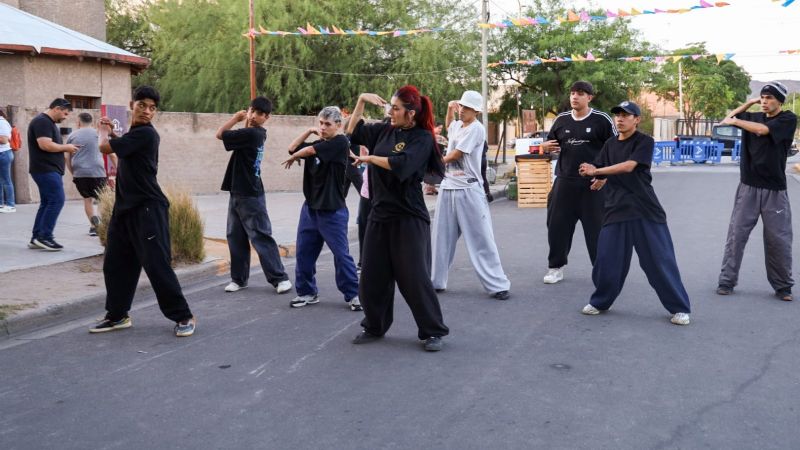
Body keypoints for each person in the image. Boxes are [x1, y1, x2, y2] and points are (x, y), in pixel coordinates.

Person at [346, 85, 449, 352]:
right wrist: (360, 100)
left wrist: (371, 158)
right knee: (372, 276)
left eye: (396, 108)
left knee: (414, 278)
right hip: (379, 213)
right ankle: (375, 326)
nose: (390, 112)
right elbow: (352, 132)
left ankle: (432, 331)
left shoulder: (422, 138)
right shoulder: (384, 130)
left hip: (408, 217)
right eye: (390, 107)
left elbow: (402, 164)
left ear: (410, 113)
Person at [91, 86, 196, 337]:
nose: (147, 111)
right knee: (116, 264)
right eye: (142, 105)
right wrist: (114, 133)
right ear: (132, 105)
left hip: (148, 208)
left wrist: (103, 131)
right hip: (124, 210)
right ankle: (117, 315)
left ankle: (183, 316)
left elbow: (104, 148)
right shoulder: (133, 134)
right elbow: (122, 148)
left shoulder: (147, 134)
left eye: (152, 108)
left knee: (156, 265)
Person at [577, 100, 691, 326]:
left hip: (644, 210)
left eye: (626, 115)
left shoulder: (644, 141)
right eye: (617, 115)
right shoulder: (610, 144)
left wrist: (596, 171)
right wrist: (594, 175)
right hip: (616, 210)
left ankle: (679, 308)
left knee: (659, 261)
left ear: (637, 119)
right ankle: (601, 302)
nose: (620, 119)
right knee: (606, 260)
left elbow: (629, 166)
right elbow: (600, 168)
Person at [716, 82, 797, 301]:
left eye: (769, 98)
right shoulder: (753, 116)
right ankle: (726, 281)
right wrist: (749, 102)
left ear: (780, 101)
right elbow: (727, 119)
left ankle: (783, 286)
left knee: (778, 239)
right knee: (736, 235)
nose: (764, 101)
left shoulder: (788, 119)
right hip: (748, 186)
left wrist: (736, 120)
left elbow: (762, 130)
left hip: (775, 190)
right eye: (762, 97)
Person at [431, 90, 511, 300]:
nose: (462, 110)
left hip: (469, 189)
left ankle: (498, 285)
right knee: (441, 239)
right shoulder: (458, 125)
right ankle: (436, 282)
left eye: (466, 108)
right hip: (448, 187)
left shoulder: (477, 128)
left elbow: (457, 153)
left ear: (476, 111)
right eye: (462, 106)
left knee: (481, 238)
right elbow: (449, 125)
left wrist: (435, 163)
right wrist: (450, 108)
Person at [283, 106, 360, 311]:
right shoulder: (318, 142)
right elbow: (292, 148)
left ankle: (354, 295)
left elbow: (307, 152)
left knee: (341, 255)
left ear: (338, 125)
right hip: (310, 209)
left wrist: (295, 156)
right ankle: (307, 292)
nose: (323, 127)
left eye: (327, 124)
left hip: (332, 211)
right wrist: (309, 131)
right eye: (320, 123)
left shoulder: (341, 143)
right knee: (304, 253)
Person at [539, 81, 616, 284]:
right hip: (564, 182)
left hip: (593, 184)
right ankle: (555, 268)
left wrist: (603, 176)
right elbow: (550, 145)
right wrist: (544, 147)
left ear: (589, 97)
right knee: (557, 226)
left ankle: (601, 270)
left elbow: (615, 150)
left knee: (597, 229)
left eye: (580, 93)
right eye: (572, 93)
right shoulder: (561, 120)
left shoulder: (601, 120)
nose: (575, 96)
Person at [215, 96, 293, 296]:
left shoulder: (253, 133)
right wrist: (243, 121)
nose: (253, 116)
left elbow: (220, 134)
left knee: (260, 236)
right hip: (238, 191)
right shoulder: (251, 133)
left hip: (250, 194)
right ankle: (239, 279)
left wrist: (236, 118)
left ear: (266, 118)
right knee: (236, 237)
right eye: (252, 111)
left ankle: (280, 278)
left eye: (259, 114)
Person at [27, 98, 79, 251]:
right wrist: (66, 147)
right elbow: (45, 145)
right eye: (65, 113)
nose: (65, 117)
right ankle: (45, 237)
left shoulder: (46, 122)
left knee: (47, 203)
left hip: (46, 170)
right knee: (57, 200)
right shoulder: (42, 122)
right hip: (46, 170)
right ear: (57, 108)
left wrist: (66, 147)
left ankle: (37, 237)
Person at [66, 112, 115, 236]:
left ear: (78, 122)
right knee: (102, 199)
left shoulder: (72, 136)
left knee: (87, 199)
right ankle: (100, 225)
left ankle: (93, 226)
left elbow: (67, 157)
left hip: (80, 172)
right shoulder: (98, 134)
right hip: (97, 171)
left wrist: (73, 172)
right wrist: (119, 168)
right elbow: (111, 154)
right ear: (92, 122)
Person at [423, 122, 447, 195]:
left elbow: (447, 144)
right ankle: (428, 188)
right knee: (430, 172)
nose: (440, 130)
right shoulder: (429, 135)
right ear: (434, 127)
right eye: (439, 128)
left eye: (441, 128)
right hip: (429, 157)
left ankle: (432, 187)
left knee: (435, 173)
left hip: (438, 157)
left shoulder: (440, 137)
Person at [0, 109, 15, 213]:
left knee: (6, 180)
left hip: (4, 153)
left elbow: (4, 140)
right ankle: (1, 204)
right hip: (2, 153)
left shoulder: (2, 122)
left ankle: (10, 205)